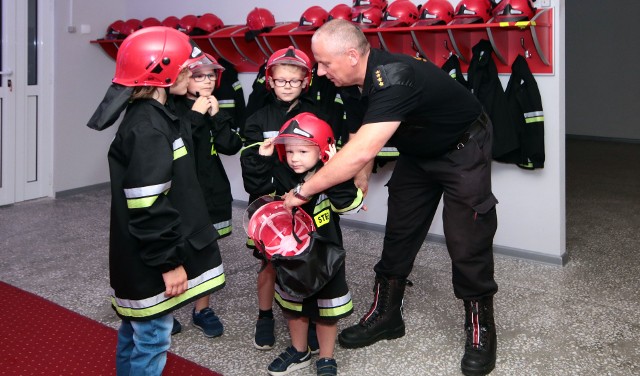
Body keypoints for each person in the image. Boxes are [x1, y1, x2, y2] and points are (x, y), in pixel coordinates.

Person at [283, 19, 499, 376]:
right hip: (418, 151)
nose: (319, 72)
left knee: (466, 237)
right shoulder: (351, 81)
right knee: (401, 228)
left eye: (324, 63)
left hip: (462, 146)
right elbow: (358, 134)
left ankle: (480, 328)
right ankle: (386, 315)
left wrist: (304, 190)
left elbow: (362, 149)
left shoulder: (395, 77)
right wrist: (362, 178)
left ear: (351, 55)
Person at [89, 26, 226, 375]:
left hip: (138, 254)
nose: (191, 74)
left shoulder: (155, 116)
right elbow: (148, 205)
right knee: (152, 339)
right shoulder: (149, 128)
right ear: (165, 74)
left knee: (134, 333)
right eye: (185, 69)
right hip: (150, 260)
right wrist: (170, 263)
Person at [246, 112, 363, 376]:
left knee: (325, 313)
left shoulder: (331, 176)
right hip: (290, 259)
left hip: (325, 259)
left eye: (302, 151)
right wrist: (261, 159)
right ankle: (300, 351)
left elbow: (348, 204)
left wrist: (337, 170)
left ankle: (326, 357)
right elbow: (256, 186)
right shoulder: (280, 174)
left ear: (323, 150)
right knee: (293, 308)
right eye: (289, 151)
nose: (295, 158)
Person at [240, 46, 332, 352]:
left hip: (309, 202)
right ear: (270, 80)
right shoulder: (256, 119)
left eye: (294, 81)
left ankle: (309, 319)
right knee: (270, 266)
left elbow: (329, 163)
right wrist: (264, 160)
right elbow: (252, 178)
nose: (287, 86)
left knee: (310, 262)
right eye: (281, 81)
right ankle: (265, 316)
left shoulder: (320, 114)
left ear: (306, 81)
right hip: (271, 209)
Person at [169, 53, 243, 337]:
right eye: (200, 75)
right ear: (184, 77)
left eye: (211, 75)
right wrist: (197, 115)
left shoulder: (215, 105)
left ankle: (202, 309)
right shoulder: (172, 107)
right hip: (182, 191)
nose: (208, 81)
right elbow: (180, 146)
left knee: (208, 250)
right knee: (176, 249)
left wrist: (216, 115)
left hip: (212, 189)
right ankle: (167, 309)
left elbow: (230, 146)